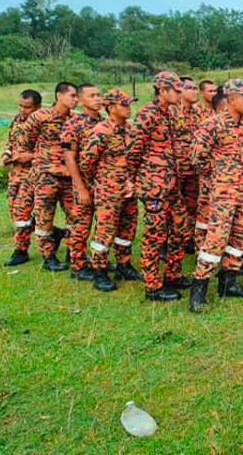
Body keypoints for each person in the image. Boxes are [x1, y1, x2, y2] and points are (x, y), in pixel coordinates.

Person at [188, 79, 243, 312]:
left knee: (239, 239)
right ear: (231, 100)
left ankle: (229, 283)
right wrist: (218, 177)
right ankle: (199, 288)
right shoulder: (213, 124)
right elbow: (197, 157)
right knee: (216, 240)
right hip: (223, 193)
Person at [127, 71, 190, 301]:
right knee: (154, 235)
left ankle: (173, 274)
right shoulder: (147, 114)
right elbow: (134, 150)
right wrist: (132, 179)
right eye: (176, 89)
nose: (180, 93)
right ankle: (152, 285)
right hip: (153, 186)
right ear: (162, 91)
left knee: (182, 228)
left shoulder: (169, 112)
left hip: (171, 183)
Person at [78, 88, 142, 292]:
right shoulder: (101, 131)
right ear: (111, 108)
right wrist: (102, 182)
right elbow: (87, 163)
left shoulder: (131, 130)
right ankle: (99, 271)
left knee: (128, 228)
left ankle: (124, 265)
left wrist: (130, 181)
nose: (129, 108)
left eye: (130, 104)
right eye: (124, 105)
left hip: (129, 188)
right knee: (105, 230)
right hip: (108, 189)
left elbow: (134, 160)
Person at [19, 82, 78, 272]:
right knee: (44, 215)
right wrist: (41, 159)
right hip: (46, 175)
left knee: (75, 215)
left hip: (69, 176)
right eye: (72, 96)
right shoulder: (40, 117)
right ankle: (48, 255)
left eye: (77, 96)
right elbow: (25, 143)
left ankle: (73, 251)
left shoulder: (76, 120)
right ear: (59, 96)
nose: (76, 100)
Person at [62, 83, 105, 280]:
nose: (97, 99)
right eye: (92, 96)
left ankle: (97, 261)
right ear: (79, 100)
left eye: (99, 95)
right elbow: (69, 158)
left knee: (103, 225)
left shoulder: (104, 122)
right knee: (81, 225)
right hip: (84, 184)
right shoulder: (74, 124)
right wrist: (80, 188)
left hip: (104, 184)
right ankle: (78, 265)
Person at [1, 89, 42, 266]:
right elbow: (11, 142)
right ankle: (52, 232)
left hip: (33, 174)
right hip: (16, 173)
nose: (23, 110)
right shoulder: (17, 120)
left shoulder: (43, 123)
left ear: (37, 107)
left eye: (27, 107)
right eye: (20, 105)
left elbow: (52, 150)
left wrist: (30, 157)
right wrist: (6, 154)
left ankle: (21, 249)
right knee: (14, 211)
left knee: (22, 212)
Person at [193, 93, 228, 249]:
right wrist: (211, 171)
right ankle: (200, 248)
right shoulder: (209, 125)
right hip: (210, 180)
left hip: (226, 183)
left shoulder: (235, 127)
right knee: (204, 217)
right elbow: (197, 156)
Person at [173, 77, 203, 254]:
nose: (195, 91)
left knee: (192, 206)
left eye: (195, 88)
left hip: (193, 169)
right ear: (181, 91)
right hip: (176, 169)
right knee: (173, 207)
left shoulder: (197, 113)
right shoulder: (172, 112)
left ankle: (188, 238)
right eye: (191, 88)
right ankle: (166, 241)